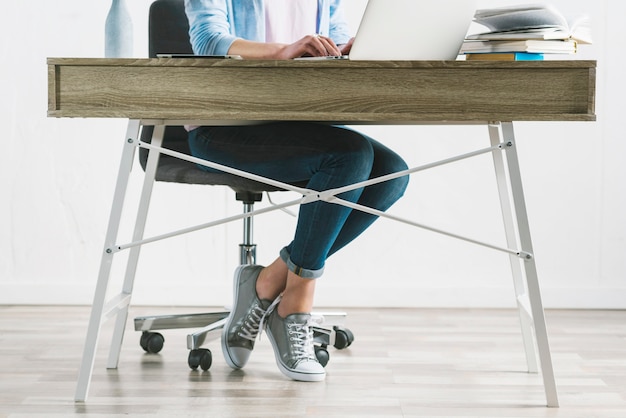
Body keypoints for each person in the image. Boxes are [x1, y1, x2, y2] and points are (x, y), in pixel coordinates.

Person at [184, 0, 409, 382]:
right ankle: (294, 306)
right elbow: (207, 40)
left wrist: (347, 50)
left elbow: (332, 40)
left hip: (298, 120)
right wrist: (284, 51)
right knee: (348, 157)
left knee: (390, 173)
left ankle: (268, 281)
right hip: (224, 124)